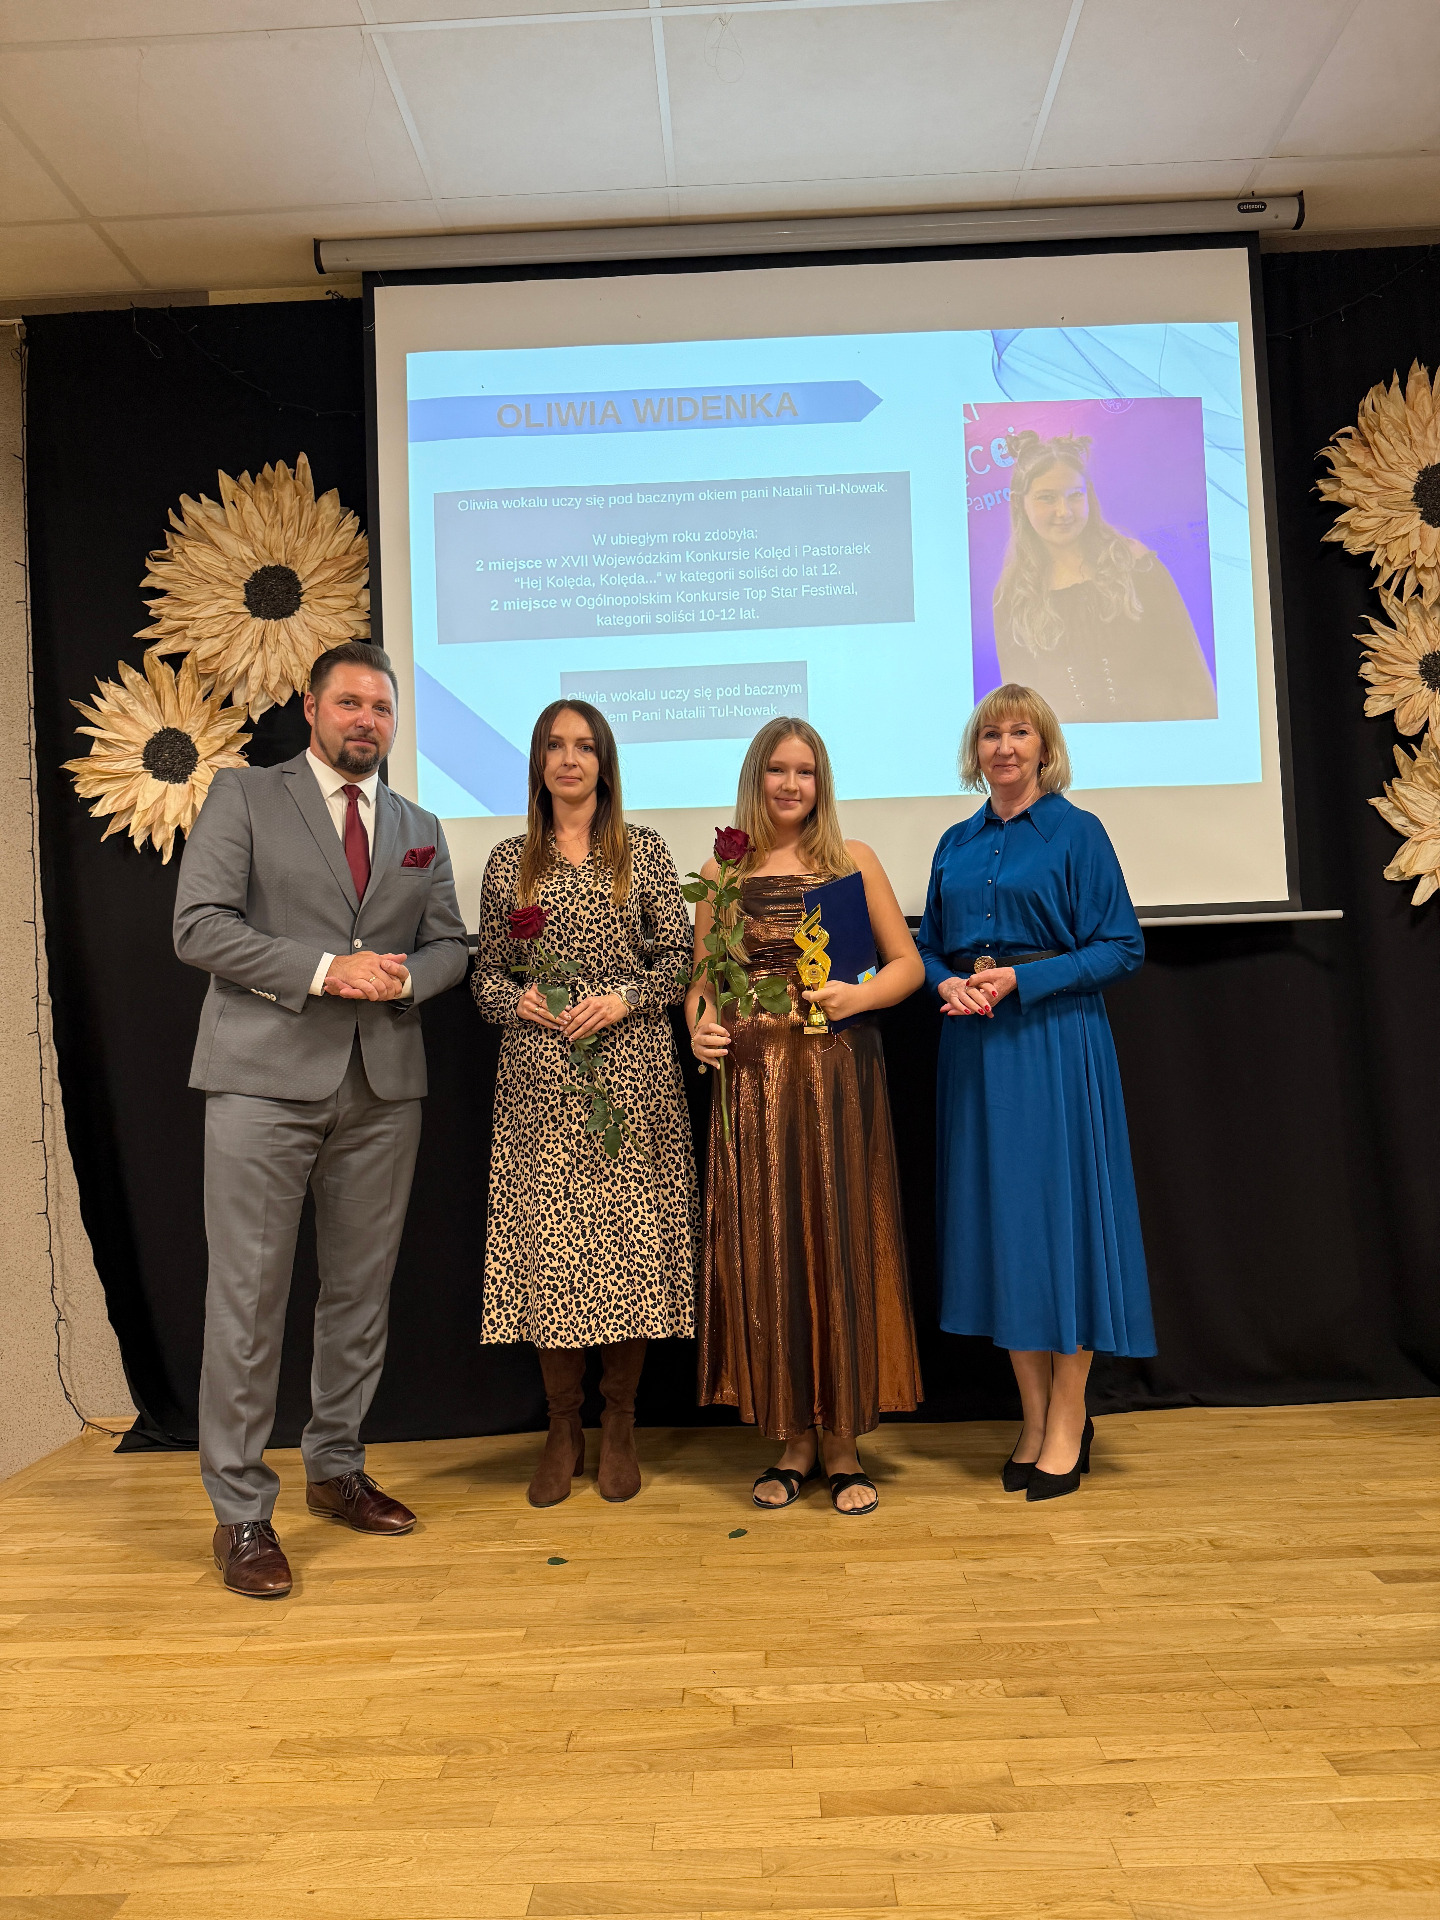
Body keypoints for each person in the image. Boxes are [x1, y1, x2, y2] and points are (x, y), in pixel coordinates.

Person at [174, 641, 469, 1597]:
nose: (366, 721)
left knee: (359, 1296)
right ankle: (240, 1512)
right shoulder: (243, 796)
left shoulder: (420, 826)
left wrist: (403, 981)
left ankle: (335, 1468)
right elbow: (199, 926)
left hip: (382, 1090)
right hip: (261, 1084)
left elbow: (449, 945)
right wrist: (324, 970)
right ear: (311, 707)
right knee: (249, 1300)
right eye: (349, 703)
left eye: (381, 708)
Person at [916, 683, 1155, 1501]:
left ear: (1044, 748)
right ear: (976, 752)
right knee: (1005, 1232)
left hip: (1054, 1045)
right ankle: (1032, 1414)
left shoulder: (1078, 833)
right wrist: (945, 983)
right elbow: (930, 946)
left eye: (1020, 732)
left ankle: (1068, 1417)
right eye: (991, 735)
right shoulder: (955, 842)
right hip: (975, 1050)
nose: (1005, 747)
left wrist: (1024, 980)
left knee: (1063, 1226)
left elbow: (1122, 946)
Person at [688, 717, 924, 1515]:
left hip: (835, 1076)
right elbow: (703, 984)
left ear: (822, 783)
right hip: (754, 1085)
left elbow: (908, 966)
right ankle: (791, 1440)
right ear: (755, 777)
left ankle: (844, 1444)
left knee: (838, 1239)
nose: (791, 785)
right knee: (775, 1246)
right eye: (777, 770)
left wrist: (861, 996)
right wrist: (700, 1026)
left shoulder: (852, 862)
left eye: (806, 771)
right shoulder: (721, 875)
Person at [472, 700, 698, 1508]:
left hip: (631, 1079)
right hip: (540, 1087)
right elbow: (484, 974)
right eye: (556, 746)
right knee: (553, 1255)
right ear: (538, 761)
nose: (570, 759)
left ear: (605, 761)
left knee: (627, 1251)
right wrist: (518, 999)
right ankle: (562, 1426)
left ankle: (621, 1423)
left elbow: (680, 960)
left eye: (585, 746)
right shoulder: (509, 861)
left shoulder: (644, 851)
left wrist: (623, 998)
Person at [992, 430, 1217, 722]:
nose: (1064, 511)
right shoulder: (1012, 597)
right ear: (1018, 503)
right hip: (1069, 749)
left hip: (1158, 741)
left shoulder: (1136, 566)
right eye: (1047, 498)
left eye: (1075, 495)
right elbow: (1020, 711)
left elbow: (1190, 675)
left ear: (1089, 494)